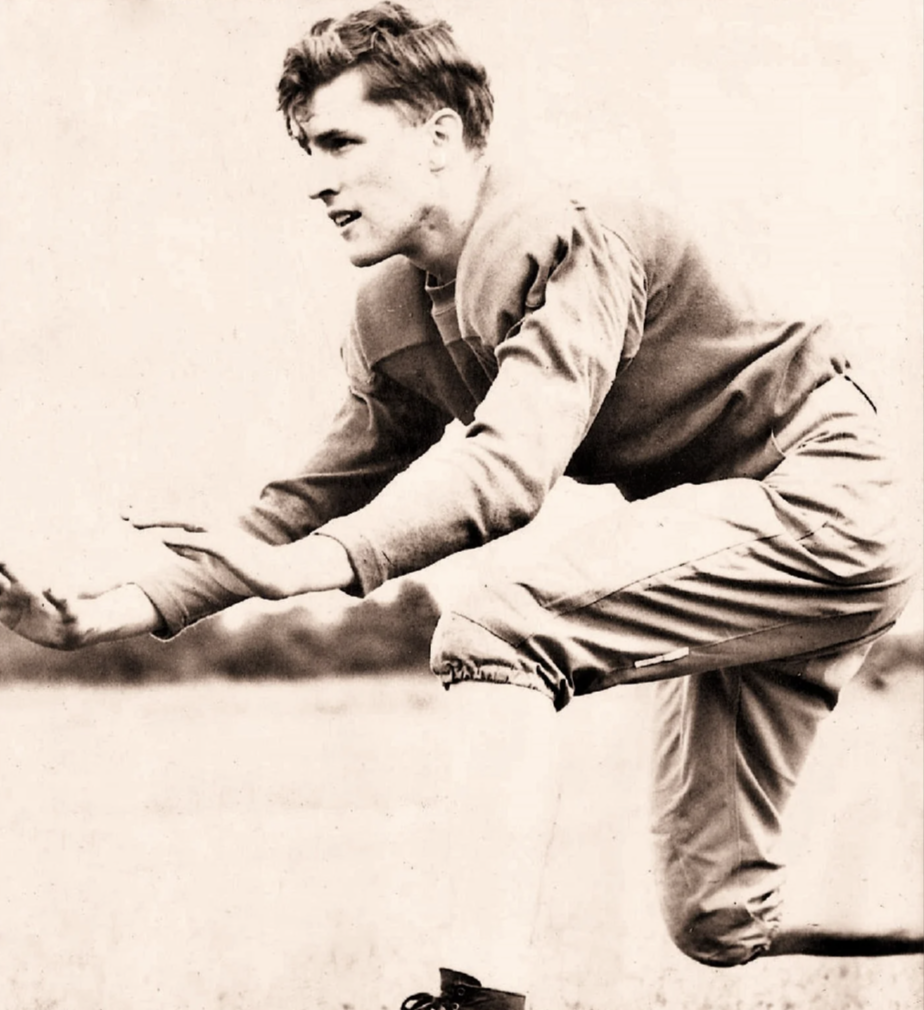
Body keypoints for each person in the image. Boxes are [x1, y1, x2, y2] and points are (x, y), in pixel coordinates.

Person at [0, 4, 920, 1007]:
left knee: (494, 620)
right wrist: (104, 612)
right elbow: (298, 507)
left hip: (823, 496)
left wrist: (323, 565)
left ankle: (479, 999)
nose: (319, 175)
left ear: (440, 134)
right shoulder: (395, 308)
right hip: (741, 532)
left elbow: (506, 471)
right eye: (308, 148)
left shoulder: (565, 228)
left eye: (344, 141)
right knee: (716, 917)